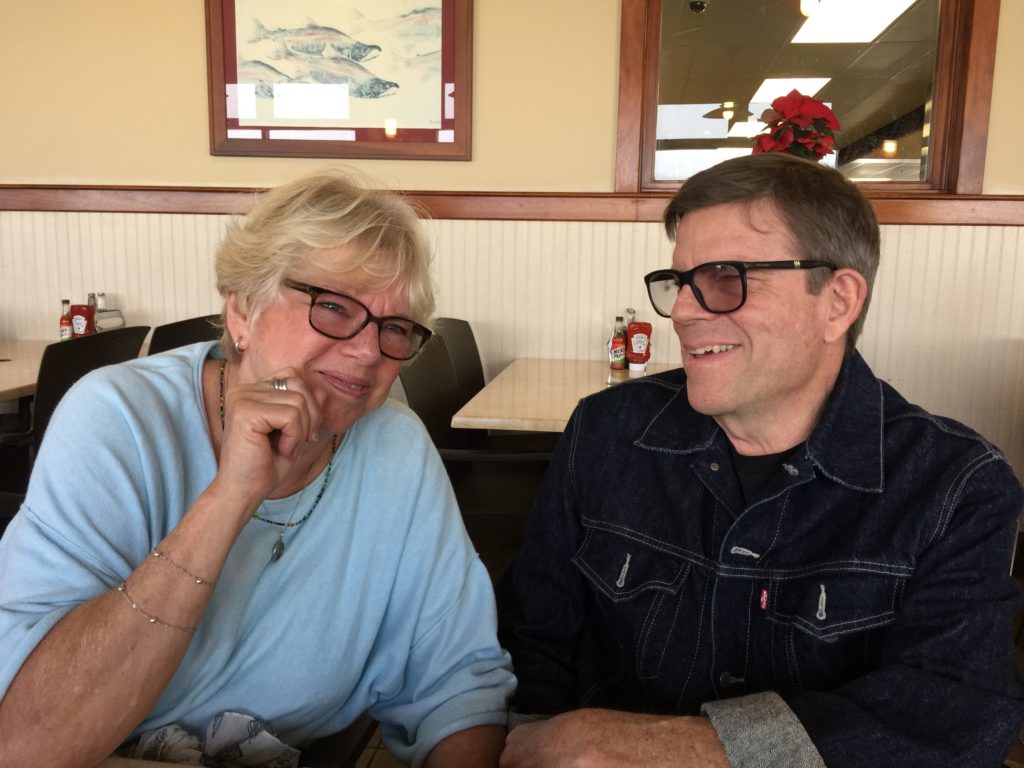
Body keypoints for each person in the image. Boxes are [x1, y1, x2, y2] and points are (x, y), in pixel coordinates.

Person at [499, 152, 1024, 767]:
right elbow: (535, 629)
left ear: (837, 301)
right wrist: (534, 739)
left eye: (727, 278)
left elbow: (952, 713)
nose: (687, 311)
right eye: (682, 282)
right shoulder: (606, 430)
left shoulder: (955, 488)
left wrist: (683, 750)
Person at [0, 168, 515, 768]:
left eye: (394, 329)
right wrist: (231, 496)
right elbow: (25, 743)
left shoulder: (396, 450)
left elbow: (456, 684)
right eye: (333, 307)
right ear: (242, 311)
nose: (369, 351)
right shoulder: (119, 420)